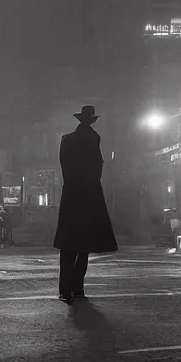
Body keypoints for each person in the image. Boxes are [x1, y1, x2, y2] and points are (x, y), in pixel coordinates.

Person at [54, 105, 118, 305]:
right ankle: (77, 287)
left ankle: (65, 289)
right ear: (91, 120)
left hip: (72, 193)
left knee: (68, 245)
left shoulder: (67, 140)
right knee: (84, 245)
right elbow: (98, 166)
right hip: (89, 194)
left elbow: (65, 166)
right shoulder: (94, 139)